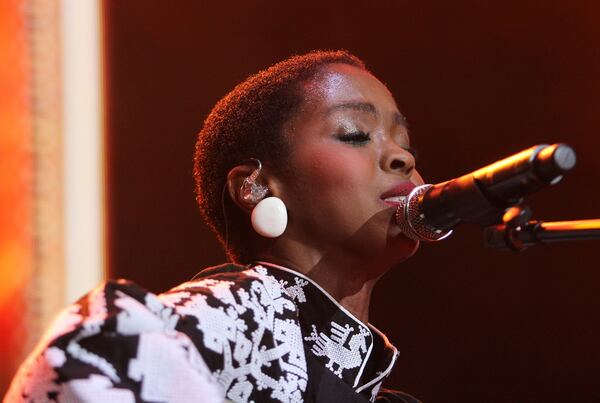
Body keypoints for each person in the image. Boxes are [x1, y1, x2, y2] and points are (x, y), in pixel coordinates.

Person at [6, 50, 423, 402]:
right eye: (354, 134)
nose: (401, 159)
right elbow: (84, 356)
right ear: (255, 187)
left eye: (405, 145)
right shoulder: (233, 322)